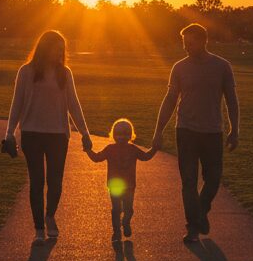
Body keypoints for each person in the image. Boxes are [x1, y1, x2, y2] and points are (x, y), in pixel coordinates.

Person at [151, 23, 239, 243]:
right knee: (188, 181)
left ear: (203, 41)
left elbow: (231, 100)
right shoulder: (179, 67)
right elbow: (170, 99)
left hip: (212, 131)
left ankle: (200, 212)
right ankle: (193, 227)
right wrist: (158, 130)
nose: (186, 47)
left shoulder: (222, 66)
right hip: (186, 130)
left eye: (190, 43)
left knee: (213, 179)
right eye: (184, 43)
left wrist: (234, 128)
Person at [4, 29, 92, 244]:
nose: (59, 54)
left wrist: (85, 133)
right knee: (36, 181)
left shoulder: (65, 73)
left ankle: (50, 215)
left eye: (62, 50)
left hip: (58, 135)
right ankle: (39, 229)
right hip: (32, 133)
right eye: (56, 49)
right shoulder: (26, 72)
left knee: (55, 182)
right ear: (44, 48)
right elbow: (17, 105)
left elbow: (74, 104)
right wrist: (9, 133)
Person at [86, 118, 157, 241]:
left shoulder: (133, 149)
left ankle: (125, 222)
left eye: (125, 134)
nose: (121, 137)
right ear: (113, 135)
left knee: (129, 209)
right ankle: (116, 232)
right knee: (116, 209)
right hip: (115, 185)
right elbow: (97, 158)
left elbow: (145, 157)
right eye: (118, 134)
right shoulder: (109, 149)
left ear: (130, 135)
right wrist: (88, 150)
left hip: (129, 185)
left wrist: (155, 148)